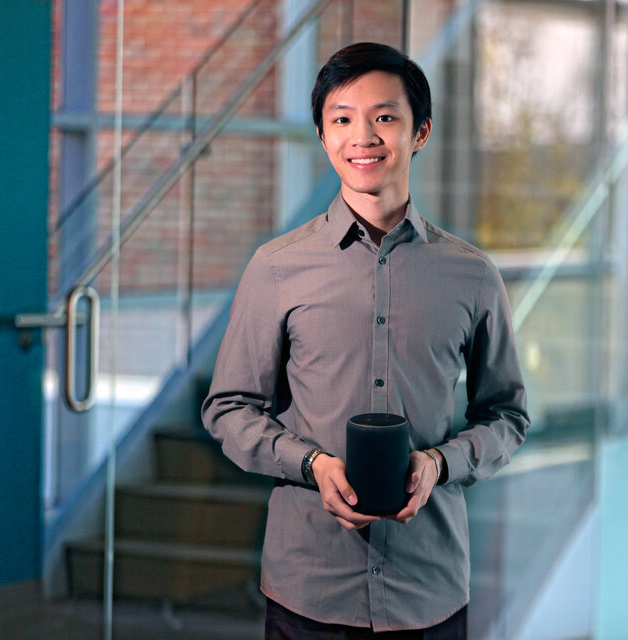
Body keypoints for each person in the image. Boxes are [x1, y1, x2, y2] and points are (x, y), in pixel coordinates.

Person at [201, 41, 529, 639]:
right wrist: (311, 463)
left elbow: (506, 414)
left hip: (428, 587)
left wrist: (440, 463)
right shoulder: (276, 267)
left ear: (420, 131)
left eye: (384, 117)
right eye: (342, 119)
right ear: (324, 137)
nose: (363, 137)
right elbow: (228, 409)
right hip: (310, 589)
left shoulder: (472, 274)